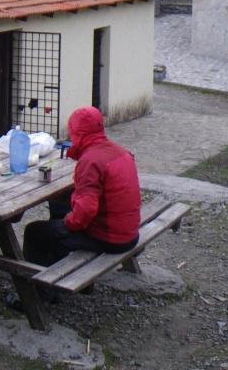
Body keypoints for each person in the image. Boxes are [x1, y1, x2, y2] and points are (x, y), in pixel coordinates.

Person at [23, 106, 141, 269]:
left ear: (77, 132)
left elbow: (85, 212)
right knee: (59, 203)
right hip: (130, 233)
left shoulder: (91, 161)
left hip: (110, 239)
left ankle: (41, 289)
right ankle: (60, 265)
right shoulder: (120, 152)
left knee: (34, 231)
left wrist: (66, 223)